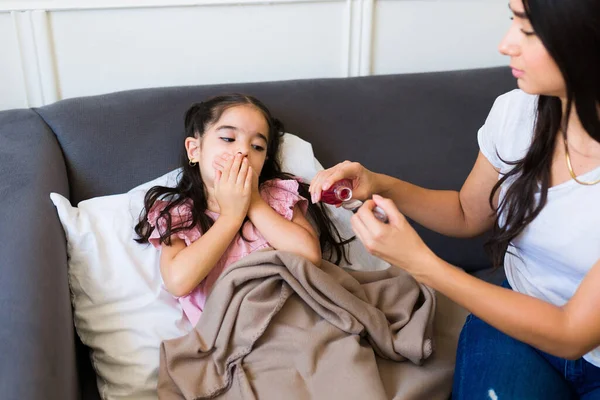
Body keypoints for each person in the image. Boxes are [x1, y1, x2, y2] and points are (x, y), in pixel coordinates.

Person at [309, 0, 600, 398]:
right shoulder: (518, 112)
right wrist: (379, 184)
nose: (505, 44)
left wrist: (422, 264)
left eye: (528, 31)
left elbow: (572, 334)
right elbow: (467, 213)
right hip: (513, 321)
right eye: (512, 21)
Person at [135, 94, 350, 326]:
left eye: (256, 146)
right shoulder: (179, 214)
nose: (243, 152)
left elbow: (309, 255)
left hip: (297, 318)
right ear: (194, 150)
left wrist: (254, 203)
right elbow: (178, 282)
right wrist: (231, 217)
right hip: (234, 331)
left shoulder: (274, 197)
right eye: (228, 138)